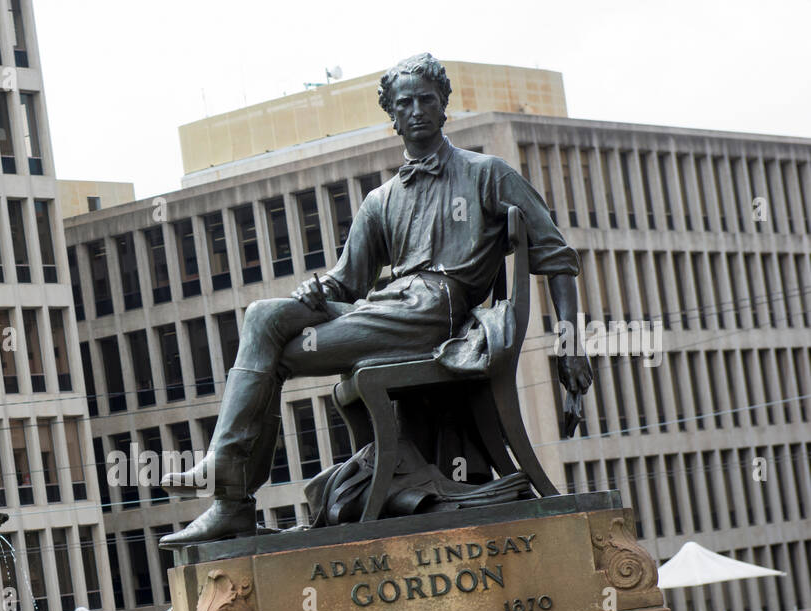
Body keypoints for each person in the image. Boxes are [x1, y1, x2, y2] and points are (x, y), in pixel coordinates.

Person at [159, 53, 593, 549]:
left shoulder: (486, 173)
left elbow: (558, 257)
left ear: (443, 105)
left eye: (426, 100)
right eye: (404, 102)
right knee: (264, 317)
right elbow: (348, 282)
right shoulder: (381, 200)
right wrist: (318, 290)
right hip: (389, 309)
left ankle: (228, 485)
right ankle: (231, 497)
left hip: (437, 314)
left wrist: (572, 347)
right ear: (392, 114)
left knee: (272, 349)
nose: (416, 111)